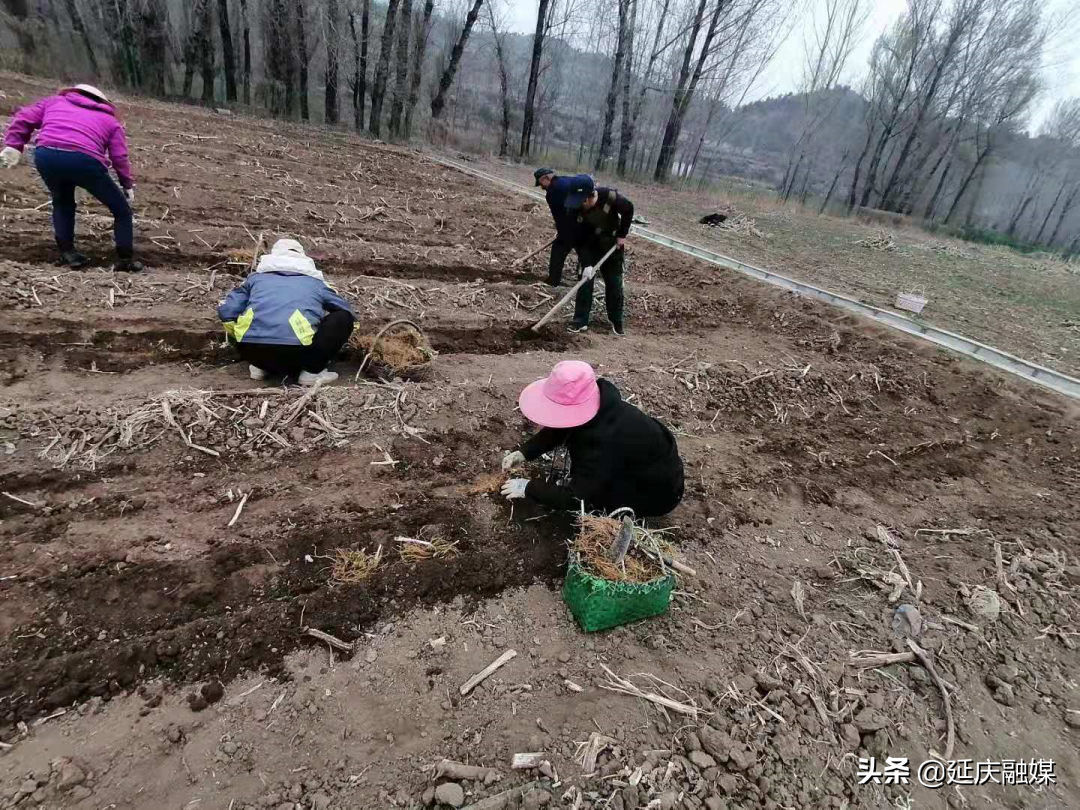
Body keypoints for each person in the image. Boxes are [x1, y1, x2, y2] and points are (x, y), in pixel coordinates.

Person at [500, 361, 684, 517]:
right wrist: (524, 452)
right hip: (644, 468)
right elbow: (560, 429)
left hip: (657, 494)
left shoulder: (601, 441)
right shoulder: (602, 408)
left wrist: (529, 488)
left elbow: (577, 499)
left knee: (594, 503)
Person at [1, 84, 142, 272]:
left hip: (46, 155)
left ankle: (68, 254)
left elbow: (24, 117)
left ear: (73, 92)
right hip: (84, 160)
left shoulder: (53, 102)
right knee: (121, 211)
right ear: (102, 101)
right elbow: (119, 157)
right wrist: (126, 184)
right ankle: (125, 261)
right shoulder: (110, 120)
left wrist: (14, 144)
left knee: (63, 202)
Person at [218, 239, 355, 386]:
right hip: (297, 353)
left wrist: (241, 336)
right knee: (343, 317)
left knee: (245, 318)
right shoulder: (316, 283)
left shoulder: (254, 279)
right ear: (303, 258)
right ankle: (312, 372)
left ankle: (260, 367)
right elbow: (346, 312)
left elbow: (227, 312)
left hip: (251, 352)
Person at [563, 175, 634, 336]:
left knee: (614, 283)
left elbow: (629, 209)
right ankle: (580, 321)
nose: (578, 204)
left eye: (581, 200)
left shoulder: (610, 198)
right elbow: (578, 240)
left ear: (590, 196)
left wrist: (622, 234)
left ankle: (616, 321)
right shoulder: (574, 209)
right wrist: (586, 263)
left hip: (611, 245)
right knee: (584, 281)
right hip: (588, 245)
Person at [534, 167, 585, 287]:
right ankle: (583, 280)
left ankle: (553, 280)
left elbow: (561, 213)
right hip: (582, 225)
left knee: (559, 249)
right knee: (584, 252)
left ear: (546, 178)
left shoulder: (554, 190)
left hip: (572, 227)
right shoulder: (566, 180)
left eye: (540, 183)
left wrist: (563, 229)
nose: (541, 187)